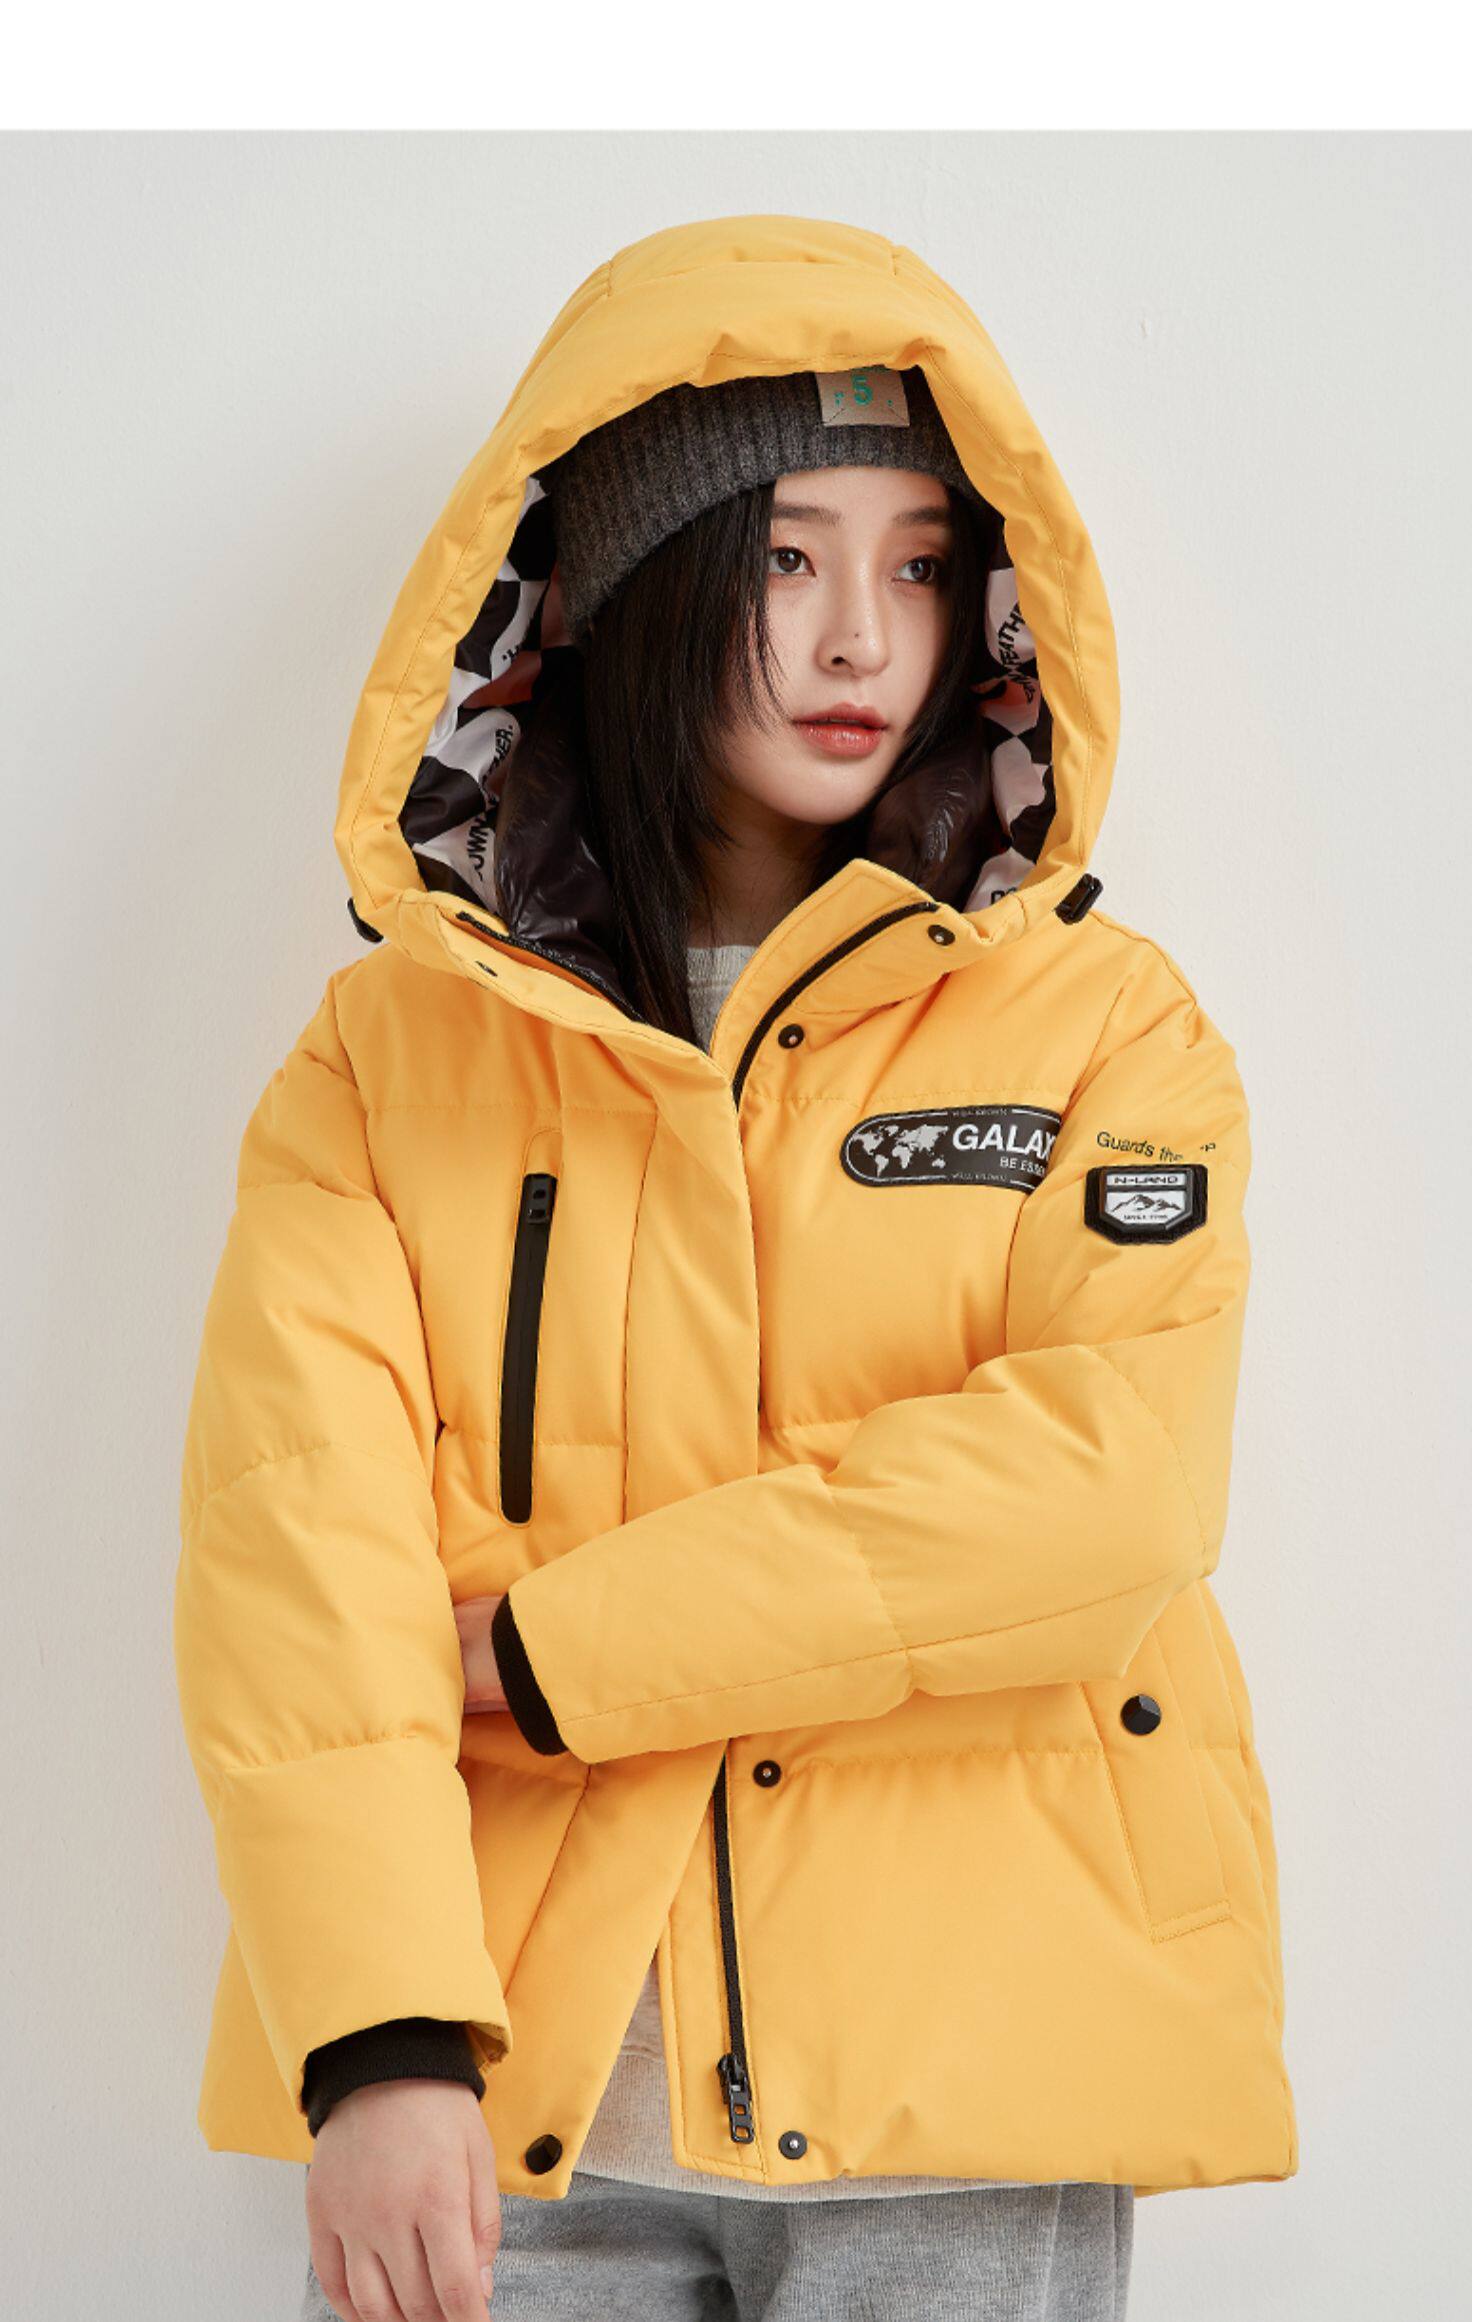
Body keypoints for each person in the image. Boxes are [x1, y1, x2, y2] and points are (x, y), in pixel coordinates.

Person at [173, 213, 1296, 2322]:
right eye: (786, 556)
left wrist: (559, 1652)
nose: (864, 636)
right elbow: (292, 1559)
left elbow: (1103, 1497)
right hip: (514, 2092)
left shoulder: (1108, 1035)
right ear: (623, 582)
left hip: (976, 2062)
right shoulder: (391, 1061)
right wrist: (379, 2032)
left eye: (921, 562)